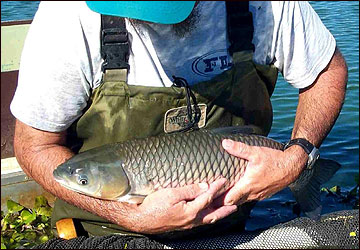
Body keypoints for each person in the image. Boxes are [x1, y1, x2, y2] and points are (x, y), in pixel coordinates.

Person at [11, 1, 347, 238]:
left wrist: (297, 155)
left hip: (229, 224)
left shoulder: (267, 5)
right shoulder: (67, 15)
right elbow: (34, 146)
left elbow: (327, 70)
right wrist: (131, 216)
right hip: (107, 230)